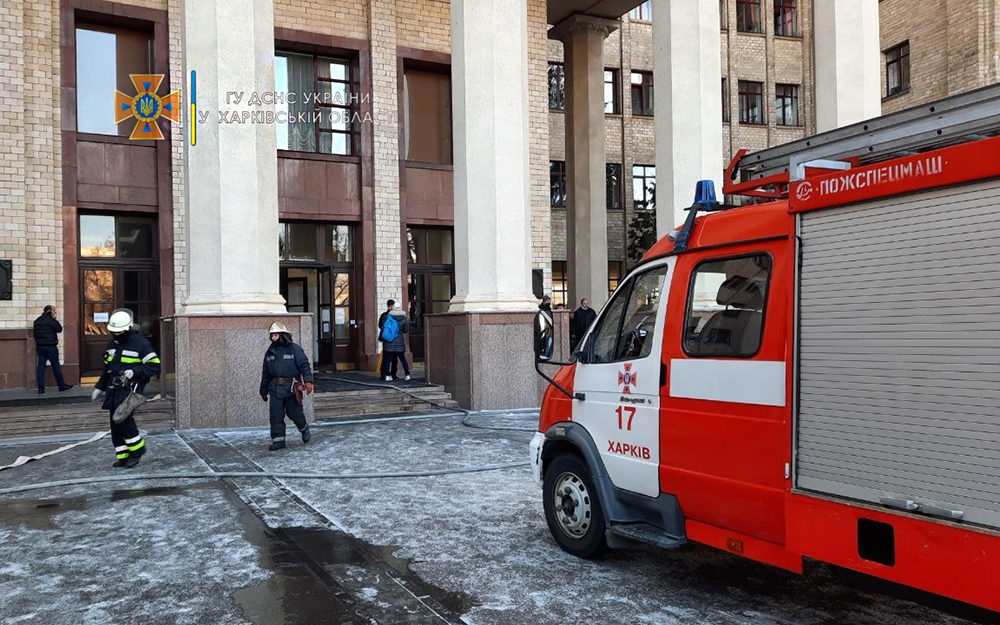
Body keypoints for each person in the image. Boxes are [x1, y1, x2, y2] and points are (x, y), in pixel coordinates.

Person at [90, 309, 160, 468]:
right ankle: (122, 455)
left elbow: (154, 365)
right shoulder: (113, 344)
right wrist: (99, 387)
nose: (115, 334)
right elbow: (107, 369)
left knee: (123, 420)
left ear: (128, 329)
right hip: (113, 389)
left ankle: (137, 451)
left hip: (130, 388)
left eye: (119, 332)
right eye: (113, 332)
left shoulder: (141, 343)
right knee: (115, 423)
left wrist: (134, 372)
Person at [259, 322, 314, 451]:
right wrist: (263, 390)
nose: (273, 338)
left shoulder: (295, 349)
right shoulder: (270, 352)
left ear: (283, 335)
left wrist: (308, 382)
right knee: (276, 415)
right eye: (272, 335)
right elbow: (266, 373)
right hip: (275, 388)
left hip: (291, 388)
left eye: (276, 335)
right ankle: (278, 441)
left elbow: (304, 366)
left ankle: (304, 428)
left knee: (295, 413)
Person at [32, 305, 73, 394]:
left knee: (41, 367)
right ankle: (61, 386)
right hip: (50, 347)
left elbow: (35, 334)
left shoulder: (37, 321)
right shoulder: (51, 320)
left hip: (40, 347)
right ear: (50, 311)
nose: (55, 312)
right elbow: (59, 329)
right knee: (55, 366)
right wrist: (54, 319)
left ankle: (40, 388)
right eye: (54, 311)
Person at [378, 300, 410, 381]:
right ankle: (406, 374)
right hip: (399, 342)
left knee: (387, 359)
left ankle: (386, 375)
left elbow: (381, 326)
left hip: (388, 342)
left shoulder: (386, 316)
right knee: (401, 359)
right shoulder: (403, 318)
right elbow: (406, 330)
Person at [534, 295, 554, 360]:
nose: (548, 302)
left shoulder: (549, 310)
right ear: (544, 302)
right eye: (547, 301)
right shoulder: (540, 310)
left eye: (549, 301)